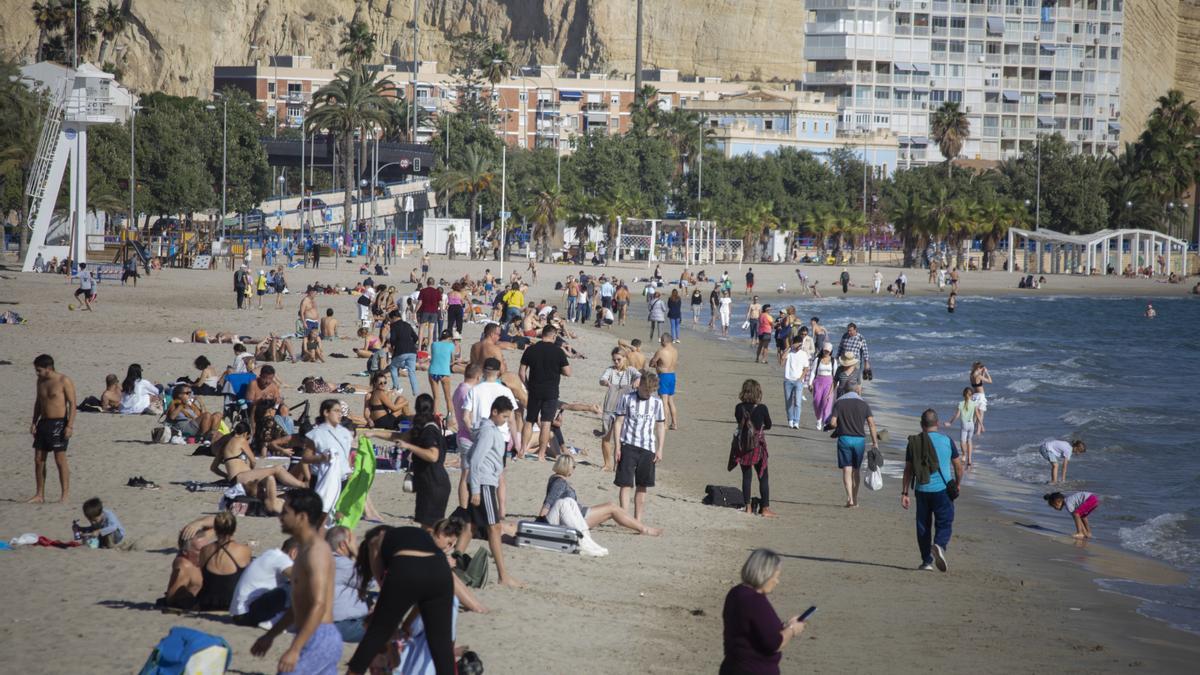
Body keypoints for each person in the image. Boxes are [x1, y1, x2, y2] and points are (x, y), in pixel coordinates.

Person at [251, 489, 341, 675]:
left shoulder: (316, 552)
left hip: (319, 635)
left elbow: (319, 604)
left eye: (285, 512)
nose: (280, 517)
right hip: (313, 634)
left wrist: (295, 649)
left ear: (301, 517)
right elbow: (299, 606)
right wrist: (271, 635)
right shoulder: (304, 551)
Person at [346, 526, 456, 675]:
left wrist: (386, 619)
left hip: (407, 568)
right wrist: (406, 624)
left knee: (377, 633)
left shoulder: (377, 537)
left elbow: (384, 584)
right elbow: (422, 600)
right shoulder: (412, 535)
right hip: (441, 569)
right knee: (441, 644)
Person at [463, 396, 523, 587]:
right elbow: (475, 460)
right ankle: (503, 576)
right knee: (494, 528)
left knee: (470, 527)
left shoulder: (488, 430)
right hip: (483, 484)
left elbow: (472, 454)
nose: (506, 421)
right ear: (494, 412)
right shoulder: (488, 431)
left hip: (485, 482)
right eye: (504, 417)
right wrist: (474, 489)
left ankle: (453, 563)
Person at [720, 549, 807, 675]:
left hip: (732, 666)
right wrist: (793, 629)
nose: (777, 582)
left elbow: (753, 629)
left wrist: (784, 627)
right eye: (776, 577)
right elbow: (774, 644)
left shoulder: (736, 592)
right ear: (764, 575)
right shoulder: (755, 601)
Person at [901, 409, 963, 572]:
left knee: (923, 525)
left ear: (922, 425)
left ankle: (927, 561)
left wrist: (905, 493)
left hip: (922, 489)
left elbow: (908, 470)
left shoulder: (914, 442)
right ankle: (939, 545)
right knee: (945, 522)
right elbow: (958, 466)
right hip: (942, 490)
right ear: (937, 423)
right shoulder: (947, 441)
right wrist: (957, 483)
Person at [540, 455, 662, 535]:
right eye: (573, 467)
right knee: (612, 508)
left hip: (578, 514)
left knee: (611, 507)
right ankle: (643, 529)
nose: (574, 469)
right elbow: (548, 503)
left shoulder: (554, 478)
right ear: (566, 467)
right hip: (578, 519)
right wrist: (540, 524)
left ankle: (640, 526)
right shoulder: (559, 483)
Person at [612, 371, 666, 523]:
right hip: (628, 445)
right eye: (645, 390)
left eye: (651, 391)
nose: (648, 393)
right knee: (625, 483)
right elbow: (618, 423)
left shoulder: (657, 403)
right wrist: (617, 447)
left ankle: (637, 520)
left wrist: (660, 448)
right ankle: (624, 518)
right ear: (640, 385)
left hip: (648, 448)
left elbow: (661, 426)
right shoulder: (627, 398)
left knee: (642, 485)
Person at [395, 394, 452, 527]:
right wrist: (373, 434)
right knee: (426, 528)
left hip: (434, 484)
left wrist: (409, 447)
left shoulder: (430, 430)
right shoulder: (422, 427)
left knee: (430, 529)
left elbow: (433, 455)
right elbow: (400, 437)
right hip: (428, 483)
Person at [519, 325, 572, 461]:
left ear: (542, 334)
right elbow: (568, 372)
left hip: (534, 390)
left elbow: (521, 372)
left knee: (530, 420)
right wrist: (557, 369)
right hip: (551, 391)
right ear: (553, 336)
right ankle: (541, 454)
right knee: (546, 422)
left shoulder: (531, 349)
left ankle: (522, 450)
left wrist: (527, 386)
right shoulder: (558, 351)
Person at [29, 354, 75, 503]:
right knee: (38, 460)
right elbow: (38, 402)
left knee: (59, 460)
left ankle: (65, 495)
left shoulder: (63, 380)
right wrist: (34, 422)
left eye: (39, 370)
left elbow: (72, 404)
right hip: (43, 423)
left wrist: (69, 425)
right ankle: (39, 494)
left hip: (59, 423)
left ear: (49, 369)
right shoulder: (40, 381)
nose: (37, 373)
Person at [730, 379, 776, 517]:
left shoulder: (739, 407)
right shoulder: (762, 408)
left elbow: (740, 421)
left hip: (743, 445)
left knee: (746, 476)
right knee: (763, 476)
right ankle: (765, 509)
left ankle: (748, 507)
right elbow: (769, 425)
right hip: (757, 445)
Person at [828, 385, 879, 508]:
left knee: (847, 469)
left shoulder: (839, 403)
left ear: (845, 390)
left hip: (844, 438)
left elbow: (832, 423)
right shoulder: (864, 404)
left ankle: (849, 498)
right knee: (856, 470)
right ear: (857, 390)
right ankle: (855, 498)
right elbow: (872, 424)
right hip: (859, 440)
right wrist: (875, 442)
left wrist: (840, 425)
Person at [230, 538, 299, 626]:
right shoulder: (282, 559)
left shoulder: (272, 554)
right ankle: (270, 621)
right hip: (246, 614)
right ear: (294, 553)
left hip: (240, 614)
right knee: (291, 588)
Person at [194, 510, 253, 610]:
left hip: (207, 602)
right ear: (234, 529)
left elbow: (202, 576)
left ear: (215, 529)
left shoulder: (204, 550)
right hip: (231, 602)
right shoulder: (244, 550)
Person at [325, 526, 370, 642]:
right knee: (389, 631)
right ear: (343, 545)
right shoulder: (342, 564)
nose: (357, 545)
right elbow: (370, 581)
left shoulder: (323, 559)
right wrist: (358, 554)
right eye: (354, 542)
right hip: (342, 625)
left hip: (326, 621)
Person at [599, 348, 641, 471]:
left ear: (625, 358)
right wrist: (605, 382)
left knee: (623, 438)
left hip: (625, 409)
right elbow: (602, 379)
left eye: (619, 359)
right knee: (606, 435)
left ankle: (619, 465)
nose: (616, 362)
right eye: (614, 360)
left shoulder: (630, 370)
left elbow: (640, 376)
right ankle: (607, 464)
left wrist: (637, 380)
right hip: (610, 407)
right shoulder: (610, 370)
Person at [386, 309, 420, 396]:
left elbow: (393, 339)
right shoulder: (407, 324)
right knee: (411, 371)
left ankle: (396, 387)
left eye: (390, 319)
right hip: (412, 351)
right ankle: (415, 392)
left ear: (393, 317)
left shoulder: (393, 326)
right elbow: (416, 338)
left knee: (393, 367)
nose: (390, 321)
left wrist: (393, 347)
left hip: (401, 350)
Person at [649, 334, 679, 430]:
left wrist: (656, 365)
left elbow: (651, 363)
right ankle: (674, 423)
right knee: (671, 401)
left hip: (664, 376)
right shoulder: (675, 351)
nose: (660, 342)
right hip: (672, 375)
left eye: (661, 340)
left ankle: (665, 424)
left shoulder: (661, 351)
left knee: (664, 402)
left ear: (664, 341)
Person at [942, 388, 978, 466]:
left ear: (963, 395)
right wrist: (980, 425)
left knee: (962, 441)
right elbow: (977, 415)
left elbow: (957, 415)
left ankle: (964, 455)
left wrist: (950, 423)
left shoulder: (961, 403)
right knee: (969, 441)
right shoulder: (974, 403)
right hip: (972, 424)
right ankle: (970, 459)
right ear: (971, 395)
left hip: (964, 425)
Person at [427, 328, 456, 416]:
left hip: (433, 371)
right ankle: (450, 417)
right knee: (448, 397)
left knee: (436, 397)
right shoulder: (451, 345)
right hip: (444, 372)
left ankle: (436, 416)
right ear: (450, 338)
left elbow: (434, 357)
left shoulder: (434, 344)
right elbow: (452, 360)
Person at [782, 340, 810, 429]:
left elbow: (806, 368)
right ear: (794, 343)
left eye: (800, 344)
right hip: (788, 380)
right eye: (798, 343)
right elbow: (782, 361)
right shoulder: (789, 353)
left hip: (798, 381)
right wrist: (789, 348)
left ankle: (796, 421)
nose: (799, 346)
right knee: (788, 401)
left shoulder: (803, 354)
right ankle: (790, 420)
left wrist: (800, 379)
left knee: (798, 402)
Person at [809, 342, 836, 430]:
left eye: (828, 351)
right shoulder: (818, 360)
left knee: (827, 402)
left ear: (831, 351)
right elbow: (813, 372)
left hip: (829, 382)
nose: (826, 352)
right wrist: (810, 383)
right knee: (817, 402)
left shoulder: (833, 361)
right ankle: (819, 418)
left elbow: (835, 375)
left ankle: (826, 422)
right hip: (818, 382)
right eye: (825, 350)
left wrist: (836, 385)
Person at [969, 361, 992, 433]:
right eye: (981, 368)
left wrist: (983, 372)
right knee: (981, 414)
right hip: (980, 396)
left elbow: (980, 382)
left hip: (974, 396)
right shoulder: (978, 376)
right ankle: (978, 431)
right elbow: (990, 381)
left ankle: (971, 430)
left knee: (975, 415)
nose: (982, 370)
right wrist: (987, 372)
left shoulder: (971, 375)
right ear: (978, 368)